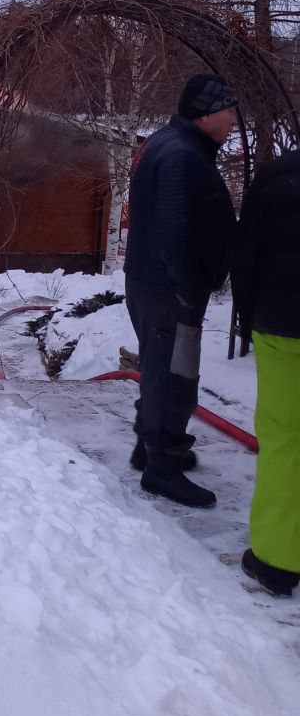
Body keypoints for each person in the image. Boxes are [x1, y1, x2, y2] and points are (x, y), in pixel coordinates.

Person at [123, 74, 238, 508]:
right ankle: (162, 469)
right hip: (168, 288)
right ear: (206, 113)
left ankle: (148, 447)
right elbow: (172, 232)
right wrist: (190, 290)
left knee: (160, 370)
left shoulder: (170, 143)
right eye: (228, 110)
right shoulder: (181, 155)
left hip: (153, 282)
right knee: (175, 378)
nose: (232, 119)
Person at [230, 151, 300, 597]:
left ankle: (276, 560)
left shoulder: (279, 176)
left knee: (285, 440)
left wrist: (251, 316)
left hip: (284, 328)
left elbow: (246, 252)